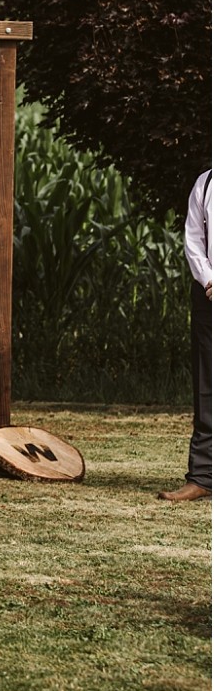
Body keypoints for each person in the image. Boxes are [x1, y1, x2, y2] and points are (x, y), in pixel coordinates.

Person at [158, 169, 212, 503]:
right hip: (209, 297)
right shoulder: (205, 183)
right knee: (208, 387)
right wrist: (208, 280)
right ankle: (203, 477)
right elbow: (193, 238)